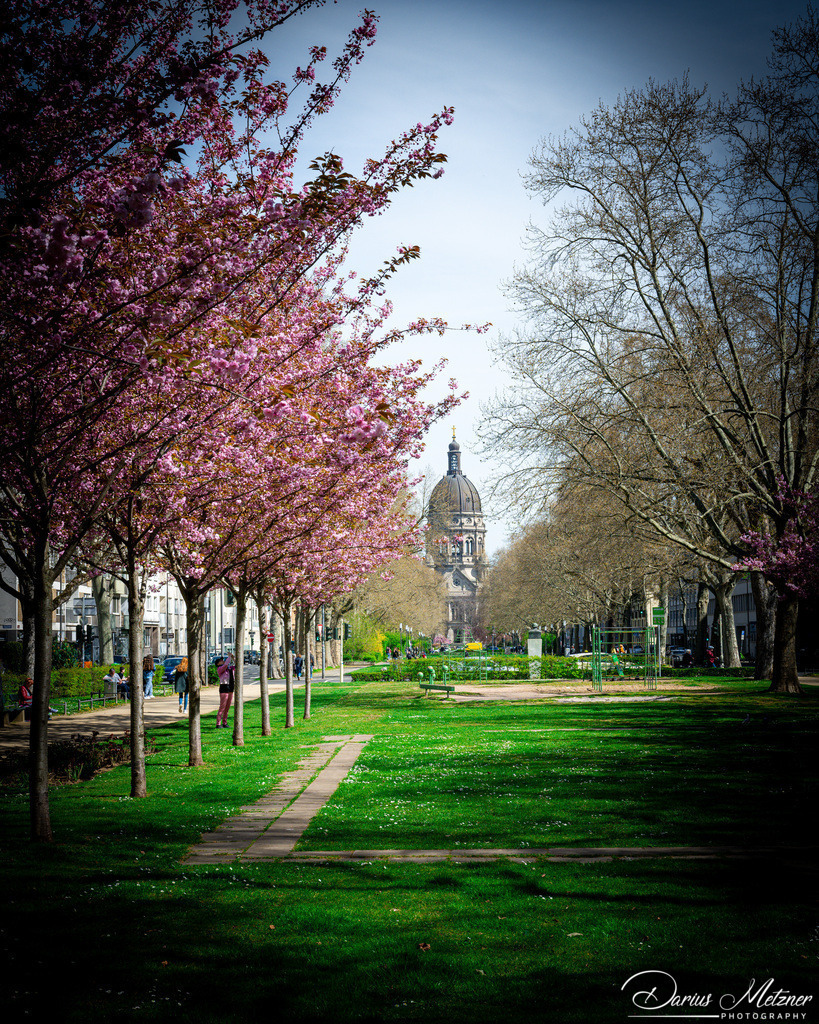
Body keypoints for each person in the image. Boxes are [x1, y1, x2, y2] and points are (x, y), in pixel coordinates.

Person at [215, 655, 234, 729]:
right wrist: (229, 657)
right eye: (220, 660)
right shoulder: (220, 669)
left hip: (230, 687)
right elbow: (225, 664)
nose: (222, 661)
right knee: (222, 706)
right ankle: (218, 723)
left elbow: (237, 666)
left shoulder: (229, 669)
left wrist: (233, 658)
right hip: (224, 687)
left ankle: (225, 723)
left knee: (227, 707)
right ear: (218, 664)